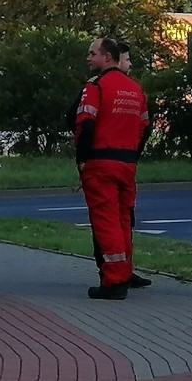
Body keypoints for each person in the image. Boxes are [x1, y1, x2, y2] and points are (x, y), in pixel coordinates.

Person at [65, 46, 152, 290]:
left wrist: (82, 159)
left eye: (92, 53)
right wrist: (132, 155)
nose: (88, 57)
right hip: (127, 164)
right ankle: (124, 273)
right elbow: (144, 128)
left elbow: (85, 122)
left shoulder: (96, 87)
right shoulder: (136, 89)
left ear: (107, 57)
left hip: (100, 162)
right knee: (124, 221)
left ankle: (114, 281)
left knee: (106, 221)